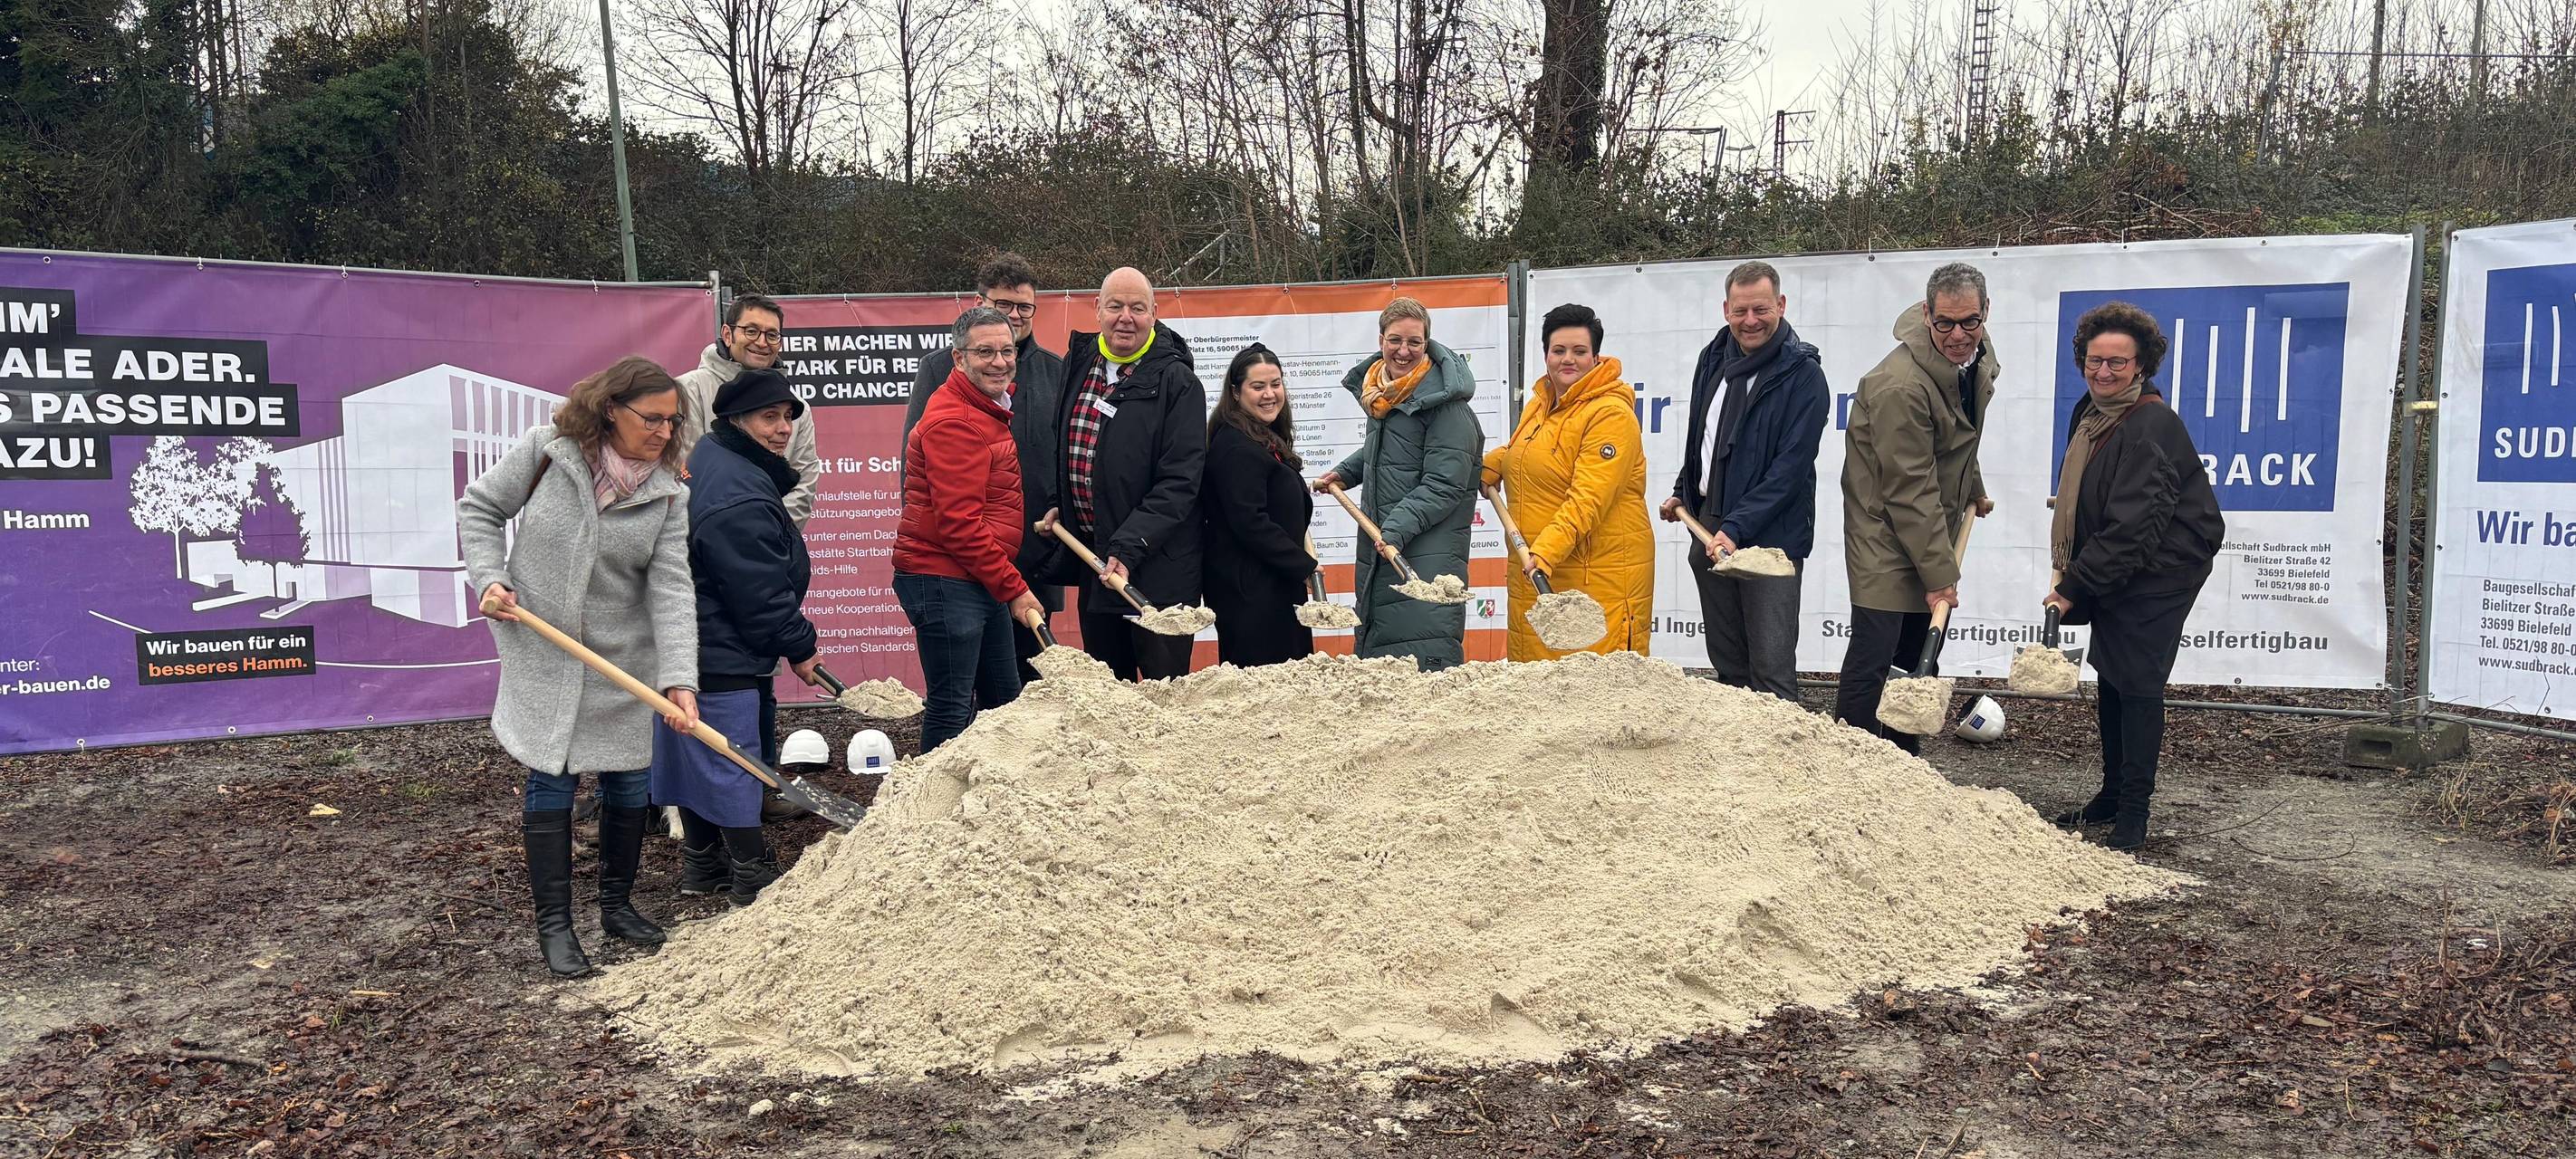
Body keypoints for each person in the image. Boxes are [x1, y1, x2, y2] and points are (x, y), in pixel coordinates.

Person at [457, 356, 699, 978]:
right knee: (553, 778)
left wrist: (679, 680)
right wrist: (490, 577)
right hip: (543, 648)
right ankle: (556, 926)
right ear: (611, 409)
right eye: (652, 419)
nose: (664, 432)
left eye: (673, 422)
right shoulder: (548, 452)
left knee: (627, 785)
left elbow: (672, 591)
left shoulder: (668, 493)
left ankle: (617, 907)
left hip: (623, 662)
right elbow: (480, 509)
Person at [2047, 302, 2224, 851]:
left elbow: (2132, 528)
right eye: (2095, 361)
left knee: (2139, 679)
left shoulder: (2149, 425)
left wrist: (2073, 586)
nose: (2103, 373)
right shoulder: (2093, 412)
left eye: (2117, 364)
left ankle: (2134, 815)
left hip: (2165, 566)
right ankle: (2111, 794)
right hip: (2124, 559)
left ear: (2142, 367)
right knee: (2112, 671)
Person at [656, 366, 823, 906]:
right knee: (733, 757)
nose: (782, 429)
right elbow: (758, 592)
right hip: (719, 642)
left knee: (693, 749)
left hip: (688, 638)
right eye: (768, 417)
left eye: (788, 418)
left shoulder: (710, 457)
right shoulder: (740, 492)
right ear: (734, 420)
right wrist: (799, 645)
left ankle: (702, 865)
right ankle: (751, 871)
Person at [1834, 263, 1997, 752]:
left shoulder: (1976, 356)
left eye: (1969, 321)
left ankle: (1904, 770)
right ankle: (1852, 766)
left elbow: (1953, 441)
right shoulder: (1900, 385)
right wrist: (1940, 575)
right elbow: (1908, 486)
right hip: (1883, 530)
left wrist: (1973, 485)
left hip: (1927, 524)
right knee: (1876, 655)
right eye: (1944, 322)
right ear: (1926, 315)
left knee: (1916, 656)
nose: (1958, 334)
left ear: (1985, 313)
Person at [1662, 262, 1830, 701]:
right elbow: (1703, 439)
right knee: (1728, 663)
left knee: (1771, 670)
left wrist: (1735, 530)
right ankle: (1736, 763)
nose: (1750, 321)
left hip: (1770, 540)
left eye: (1761, 309)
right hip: (1710, 526)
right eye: (1740, 311)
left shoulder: (1805, 376)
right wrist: (1683, 489)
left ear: (1781, 305)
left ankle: (1781, 763)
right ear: (1725, 310)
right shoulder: (1713, 357)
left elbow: (1789, 471)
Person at [675, 292, 821, 789]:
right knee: (716, 708)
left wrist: (773, 533)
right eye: (751, 331)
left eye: (772, 334)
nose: (762, 341)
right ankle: (734, 832)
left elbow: (803, 478)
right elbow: (674, 473)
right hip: (708, 568)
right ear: (727, 334)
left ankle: (753, 793)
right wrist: (754, 529)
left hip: (752, 551)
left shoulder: (787, 403)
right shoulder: (689, 392)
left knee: (756, 690)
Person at [900, 254, 1067, 685]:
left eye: (1024, 307)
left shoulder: (1057, 371)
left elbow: (1064, 460)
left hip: (1034, 557)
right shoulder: (940, 369)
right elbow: (920, 472)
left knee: (1029, 689)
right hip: (966, 563)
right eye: (1003, 305)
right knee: (963, 693)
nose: (1014, 316)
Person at [1034, 267, 1207, 681]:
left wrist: (1129, 548)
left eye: (1137, 308)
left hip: (1157, 573)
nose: (1124, 317)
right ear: (1097, 309)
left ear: (1154, 313)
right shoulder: (1079, 365)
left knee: (1166, 698)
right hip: (1097, 564)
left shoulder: (1178, 381)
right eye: (1114, 306)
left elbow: (1179, 482)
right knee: (1111, 696)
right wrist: (1064, 504)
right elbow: (1072, 447)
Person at [895, 307, 1044, 749]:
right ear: (959, 359)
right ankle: (926, 813)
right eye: (985, 352)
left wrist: (1002, 584)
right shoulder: (955, 422)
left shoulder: (986, 409)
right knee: (952, 705)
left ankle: (998, 803)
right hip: (943, 579)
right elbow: (959, 525)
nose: (999, 361)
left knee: (1004, 701)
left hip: (977, 577)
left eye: (1007, 350)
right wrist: (1015, 588)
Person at [1313, 297, 1482, 671]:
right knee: (1383, 667)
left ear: (1428, 344)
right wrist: (1345, 472)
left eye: (1414, 342)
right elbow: (1391, 453)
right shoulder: (1386, 397)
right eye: (1394, 340)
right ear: (1380, 340)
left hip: (1424, 555)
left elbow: (1444, 483)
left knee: (1422, 660)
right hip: (1389, 545)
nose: (1403, 351)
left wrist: (1393, 530)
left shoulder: (1446, 406)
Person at [1483, 303, 1653, 659]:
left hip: (1595, 577)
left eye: (1579, 351)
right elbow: (1525, 452)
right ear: (1546, 355)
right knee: (1536, 695)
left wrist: (1544, 553)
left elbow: (1588, 498)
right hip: (1538, 572)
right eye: (1558, 351)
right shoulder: (1542, 403)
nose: (1568, 360)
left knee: (1594, 696)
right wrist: (1489, 466)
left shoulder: (1611, 414)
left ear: (1596, 357)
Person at [1201, 344, 1315, 666]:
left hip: (1274, 587)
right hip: (1251, 596)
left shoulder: (1260, 438)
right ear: (1236, 393)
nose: (1270, 394)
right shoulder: (1235, 446)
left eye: (1276, 384)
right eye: (1258, 386)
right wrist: (1302, 565)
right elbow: (1249, 521)